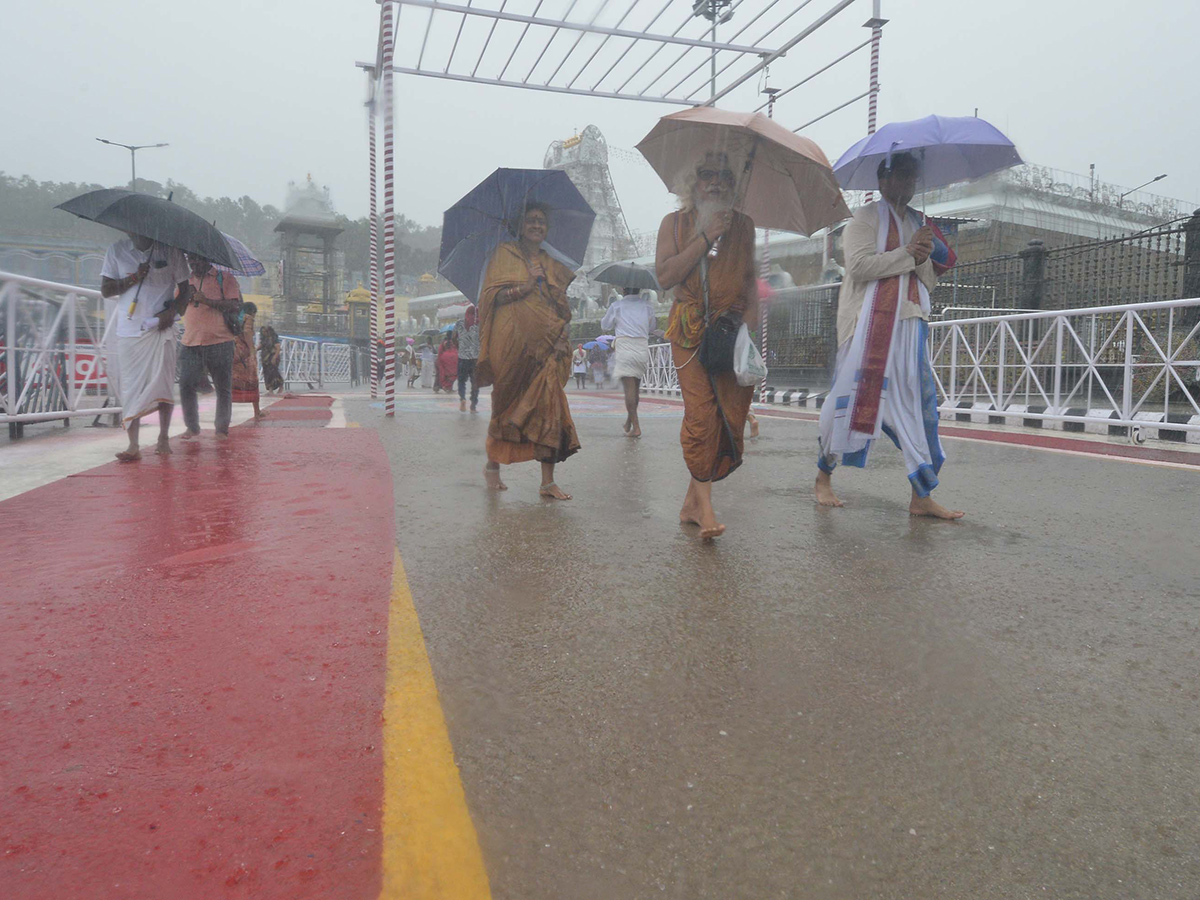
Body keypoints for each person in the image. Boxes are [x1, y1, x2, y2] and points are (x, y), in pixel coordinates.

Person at [814, 151, 963, 519]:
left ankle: (920, 496)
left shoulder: (919, 222)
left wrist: (923, 256)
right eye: (903, 176)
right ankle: (823, 477)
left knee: (924, 409)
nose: (910, 184)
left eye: (914, 178)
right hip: (866, 327)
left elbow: (924, 276)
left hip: (910, 324)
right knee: (844, 404)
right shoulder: (863, 219)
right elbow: (861, 267)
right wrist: (908, 253)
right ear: (884, 180)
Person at [655, 151, 758, 541]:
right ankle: (706, 510)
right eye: (706, 175)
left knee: (727, 418)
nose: (715, 183)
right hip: (689, 329)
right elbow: (665, 276)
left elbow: (749, 282)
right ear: (692, 184)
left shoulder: (744, 227)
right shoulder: (675, 224)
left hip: (730, 333)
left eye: (723, 177)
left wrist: (748, 331)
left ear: (733, 186)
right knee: (700, 416)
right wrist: (706, 236)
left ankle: (690, 503)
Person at [476, 202, 579, 500]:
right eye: (531, 220)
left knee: (550, 407)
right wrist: (524, 286)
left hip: (546, 345)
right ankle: (492, 467)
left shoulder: (551, 263)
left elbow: (562, 306)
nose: (536, 225)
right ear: (520, 226)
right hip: (509, 345)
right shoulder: (504, 255)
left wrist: (560, 332)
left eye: (541, 221)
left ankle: (547, 483)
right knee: (505, 406)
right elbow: (489, 299)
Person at [100, 232, 191, 461]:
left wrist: (172, 312)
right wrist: (134, 278)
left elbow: (186, 290)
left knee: (164, 384)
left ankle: (163, 438)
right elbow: (106, 289)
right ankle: (133, 445)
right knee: (131, 388)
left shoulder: (171, 251)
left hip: (162, 329)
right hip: (129, 331)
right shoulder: (116, 250)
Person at [178, 256, 241, 441]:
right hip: (190, 342)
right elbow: (178, 309)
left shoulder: (224, 278)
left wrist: (207, 301)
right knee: (186, 384)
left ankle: (221, 429)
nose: (194, 264)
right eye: (191, 261)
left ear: (207, 260)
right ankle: (192, 427)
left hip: (220, 341)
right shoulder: (185, 281)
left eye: (197, 261)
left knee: (223, 388)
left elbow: (234, 305)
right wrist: (185, 296)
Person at [601, 287, 657, 437]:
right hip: (642, 347)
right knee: (635, 388)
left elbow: (605, 325)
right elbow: (652, 327)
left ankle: (636, 427)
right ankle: (629, 422)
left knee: (629, 390)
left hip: (625, 347)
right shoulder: (647, 306)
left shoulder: (617, 306)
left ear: (623, 290)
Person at [231, 301, 266, 419]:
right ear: (252, 311)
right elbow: (247, 332)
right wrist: (252, 350)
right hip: (244, 354)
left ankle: (226, 411)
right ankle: (257, 412)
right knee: (252, 380)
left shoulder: (237, 318)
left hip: (234, 351)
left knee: (232, 381)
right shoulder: (249, 318)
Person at [455, 305, 481, 412]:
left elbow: (453, 337)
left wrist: (460, 347)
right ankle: (473, 406)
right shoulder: (480, 324)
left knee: (461, 381)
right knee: (475, 382)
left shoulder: (459, 323)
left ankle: (462, 399)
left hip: (462, 358)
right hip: (475, 359)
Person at [260, 325, 283, 393]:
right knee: (267, 373)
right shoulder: (264, 339)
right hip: (265, 359)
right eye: (262, 332)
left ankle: (280, 386)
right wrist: (255, 350)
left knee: (273, 372)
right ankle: (270, 389)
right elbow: (261, 345)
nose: (264, 333)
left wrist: (275, 357)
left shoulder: (273, 338)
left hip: (272, 357)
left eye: (265, 331)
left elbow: (278, 348)